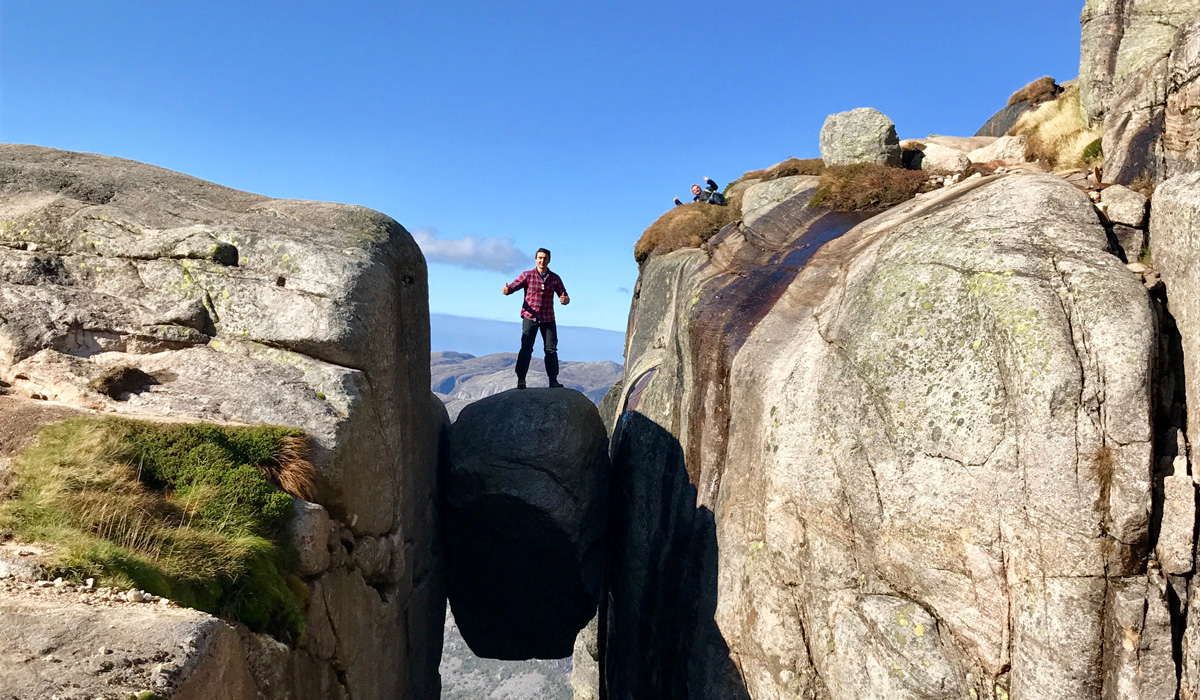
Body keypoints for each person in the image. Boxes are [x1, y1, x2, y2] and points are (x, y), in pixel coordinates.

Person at [502, 248, 570, 389]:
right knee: (526, 349)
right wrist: (507, 290)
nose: (542, 260)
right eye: (539, 258)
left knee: (551, 350)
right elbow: (513, 287)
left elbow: (564, 296)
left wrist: (565, 300)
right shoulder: (528, 275)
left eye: (545, 258)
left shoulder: (555, 278)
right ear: (535, 259)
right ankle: (521, 379)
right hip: (530, 317)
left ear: (548, 260)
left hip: (548, 318)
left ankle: (553, 380)